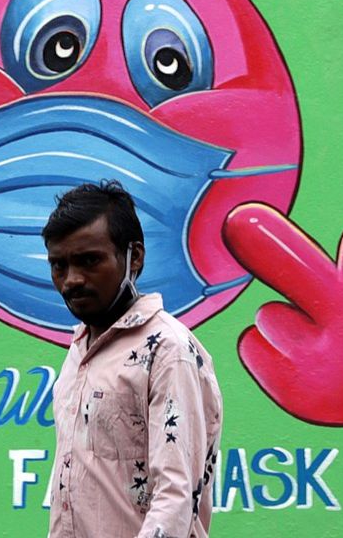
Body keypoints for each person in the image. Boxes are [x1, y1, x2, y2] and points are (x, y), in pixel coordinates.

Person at [43, 180, 222, 538]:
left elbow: (175, 496)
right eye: (59, 265)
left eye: (90, 260)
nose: (71, 280)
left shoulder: (167, 350)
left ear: (134, 256)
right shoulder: (81, 346)